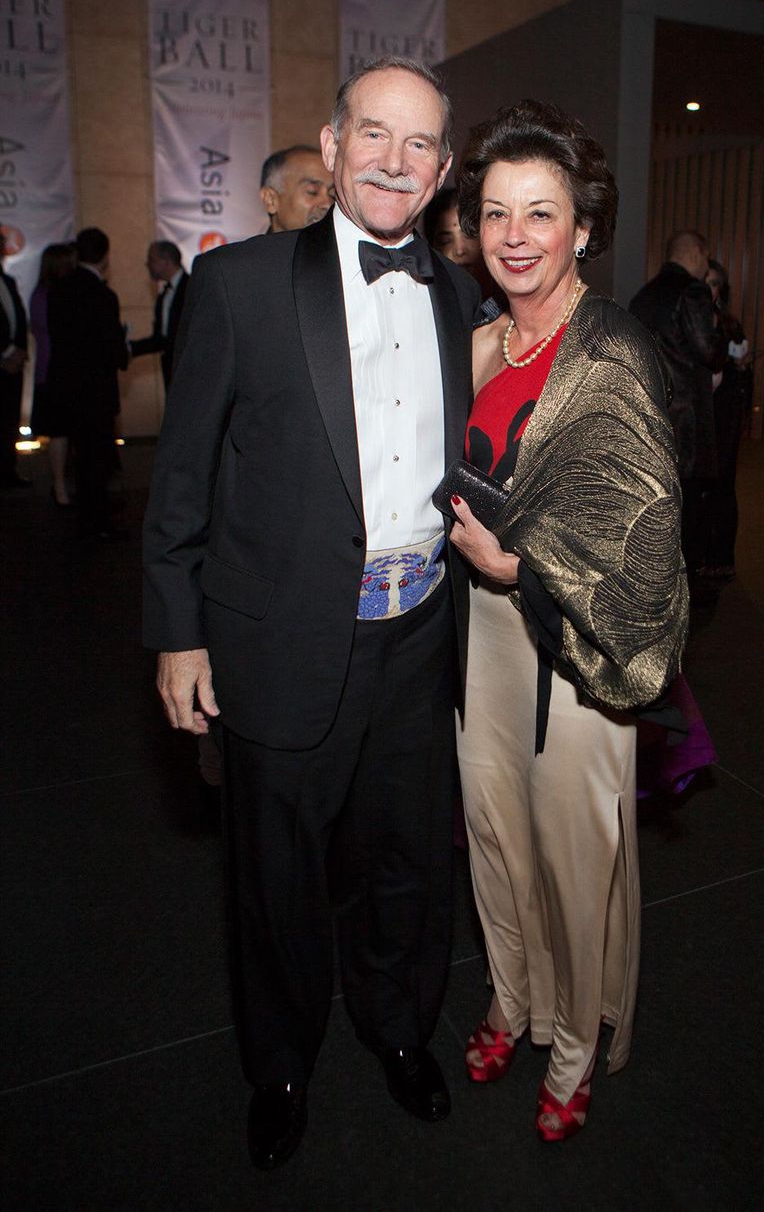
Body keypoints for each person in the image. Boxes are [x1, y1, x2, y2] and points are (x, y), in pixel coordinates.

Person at [142, 57, 480, 1170]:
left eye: (419, 143)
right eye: (373, 135)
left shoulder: (454, 295)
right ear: (331, 148)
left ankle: (397, 1029)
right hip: (276, 635)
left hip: (420, 630)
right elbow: (181, 473)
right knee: (277, 875)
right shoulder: (237, 285)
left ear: (439, 170)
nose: (394, 159)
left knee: (405, 863)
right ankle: (280, 1062)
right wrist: (178, 631)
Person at [449, 99, 688, 1142]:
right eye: (495, 211)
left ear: (581, 226)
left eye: (537, 212)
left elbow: (645, 555)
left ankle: (576, 1045)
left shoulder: (614, 355)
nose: (513, 235)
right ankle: (514, 998)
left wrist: (521, 563)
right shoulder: (477, 344)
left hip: (576, 650)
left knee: (574, 854)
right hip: (477, 636)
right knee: (493, 834)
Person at [628, 230, 724, 576]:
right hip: (688, 421)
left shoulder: (644, 295)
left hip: (650, 415)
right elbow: (709, 349)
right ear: (698, 254)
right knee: (688, 513)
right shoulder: (693, 291)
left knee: (657, 507)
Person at [46, 228, 128, 539]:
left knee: (82, 456)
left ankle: (90, 515)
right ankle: (96, 523)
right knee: (97, 458)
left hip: (68, 388)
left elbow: (59, 340)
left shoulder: (59, 289)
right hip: (96, 391)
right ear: (106, 256)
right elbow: (109, 347)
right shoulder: (103, 296)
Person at [700, 258, 753, 580]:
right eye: (705, 282)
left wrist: (742, 365)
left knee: (723, 484)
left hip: (724, 414)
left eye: (715, 283)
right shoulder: (690, 319)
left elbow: (741, 374)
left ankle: (721, 556)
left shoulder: (729, 324)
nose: (709, 289)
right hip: (695, 416)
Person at [29, 243, 77, 507]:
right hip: (52, 370)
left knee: (64, 431)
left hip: (58, 370)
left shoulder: (48, 293)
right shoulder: (46, 295)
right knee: (58, 432)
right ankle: (59, 487)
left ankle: (62, 485)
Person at [129, 242, 190, 388]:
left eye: (151, 259)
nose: (147, 264)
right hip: (170, 373)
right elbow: (162, 339)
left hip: (191, 373)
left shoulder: (192, 288)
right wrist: (129, 348)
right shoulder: (163, 296)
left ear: (166, 261)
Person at [0, 231, 29, 489]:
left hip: (13, 365)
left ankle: (8, 469)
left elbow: (18, 319)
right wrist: (7, 351)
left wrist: (20, 351)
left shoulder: (7, 281)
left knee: (10, 419)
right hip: (4, 360)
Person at [259, 144, 333, 233]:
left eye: (332, 194)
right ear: (270, 200)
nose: (328, 204)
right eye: (312, 192)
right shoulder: (248, 247)